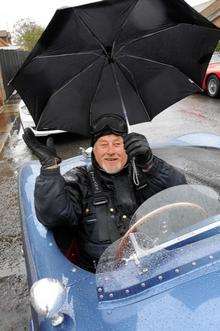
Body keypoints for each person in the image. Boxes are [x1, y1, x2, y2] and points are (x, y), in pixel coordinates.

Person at [23, 114, 186, 271]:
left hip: (156, 263)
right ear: (94, 150)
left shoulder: (143, 171)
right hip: (104, 277)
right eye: (103, 144)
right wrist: (50, 170)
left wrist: (151, 163)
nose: (111, 151)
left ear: (127, 147)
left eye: (117, 144)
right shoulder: (80, 179)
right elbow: (52, 215)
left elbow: (179, 189)